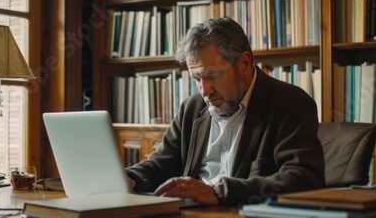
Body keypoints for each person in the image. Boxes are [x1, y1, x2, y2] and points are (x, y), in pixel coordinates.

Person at [126, 17, 325, 205]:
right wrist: (130, 178)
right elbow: (160, 165)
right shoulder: (192, 107)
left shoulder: (289, 103)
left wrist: (219, 192)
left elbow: (303, 178)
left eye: (212, 76)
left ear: (245, 63)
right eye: (197, 79)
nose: (204, 91)